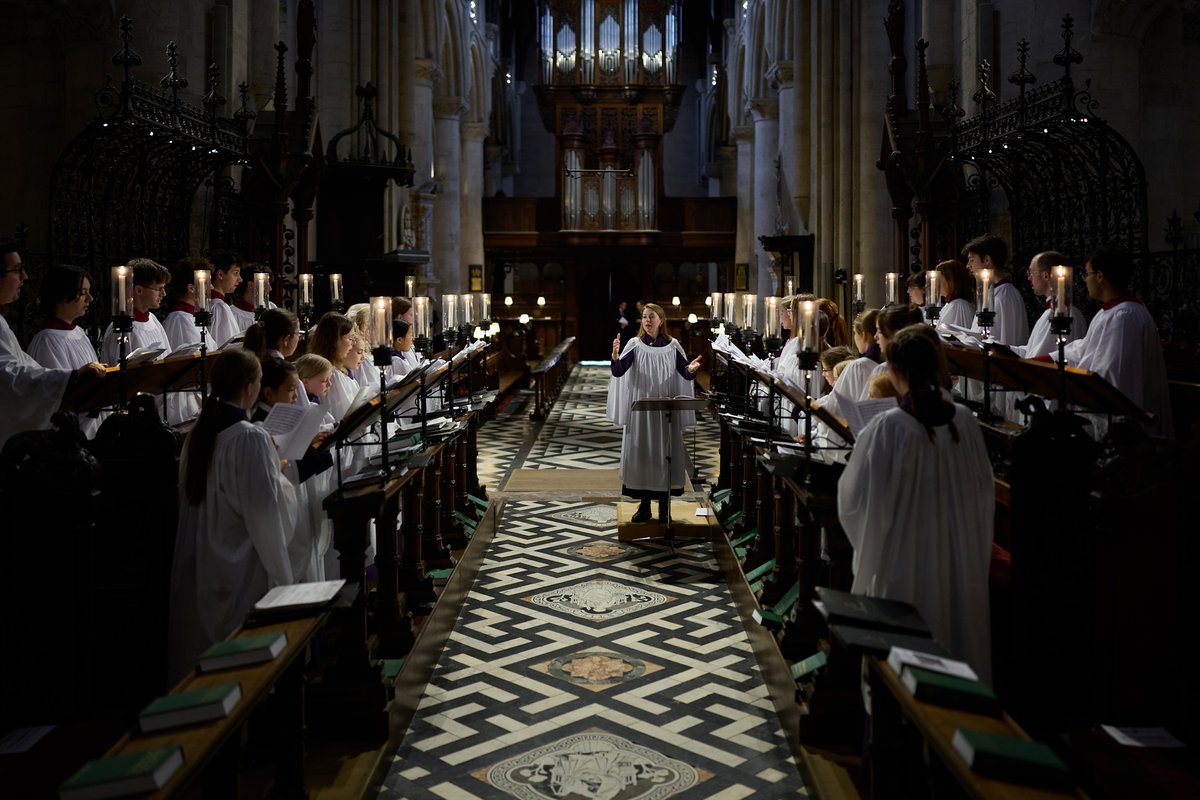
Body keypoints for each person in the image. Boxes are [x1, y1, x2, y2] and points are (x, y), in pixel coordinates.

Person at [838, 324, 994, 681]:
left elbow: (855, 501)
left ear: (894, 371)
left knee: (902, 661)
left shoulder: (887, 427)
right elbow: (983, 493)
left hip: (903, 561)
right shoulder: (966, 421)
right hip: (956, 557)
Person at [167, 348, 300, 682]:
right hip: (239, 568)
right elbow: (266, 516)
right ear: (250, 387)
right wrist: (284, 582)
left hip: (203, 564)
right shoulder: (249, 438)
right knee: (242, 669)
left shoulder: (198, 434)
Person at [1051, 246, 1173, 439]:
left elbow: (1111, 378)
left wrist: (1067, 383)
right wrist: (1045, 360)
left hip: (1128, 437)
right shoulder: (1109, 312)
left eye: (1086, 273)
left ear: (1100, 276)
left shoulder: (1125, 317)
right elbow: (1083, 349)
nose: (1084, 280)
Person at [0, 242, 104, 452]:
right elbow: (9, 379)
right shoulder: (47, 339)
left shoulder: (2, 323)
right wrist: (71, 378)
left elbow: (26, 368)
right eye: (17, 270)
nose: (25, 277)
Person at [606, 302, 701, 523]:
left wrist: (692, 369)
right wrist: (615, 355)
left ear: (661, 320)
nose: (647, 321)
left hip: (665, 413)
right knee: (644, 456)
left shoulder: (672, 345)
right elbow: (619, 371)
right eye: (645, 317)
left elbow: (684, 374)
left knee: (665, 457)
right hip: (642, 414)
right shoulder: (635, 344)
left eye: (652, 317)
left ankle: (665, 509)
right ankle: (645, 506)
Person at [27, 264, 106, 438]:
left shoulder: (77, 332)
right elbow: (57, 392)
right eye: (83, 293)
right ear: (62, 295)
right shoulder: (47, 339)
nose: (90, 298)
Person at [1012, 251, 1087, 358]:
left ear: (1046, 275)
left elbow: (1037, 360)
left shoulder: (1058, 315)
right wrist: (1005, 348)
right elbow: (1031, 350)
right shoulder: (1071, 312)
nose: (1029, 278)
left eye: (1031, 273)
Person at [99, 258, 171, 364]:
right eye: (159, 289)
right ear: (139, 290)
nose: (164, 294)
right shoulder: (121, 328)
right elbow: (117, 370)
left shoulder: (153, 319)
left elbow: (167, 358)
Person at [963, 234, 1028, 346]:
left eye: (972, 260)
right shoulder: (994, 292)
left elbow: (992, 341)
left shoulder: (1003, 297)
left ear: (987, 260)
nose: (968, 266)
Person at [307, 312, 359, 420]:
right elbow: (343, 415)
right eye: (350, 338)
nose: (353, 343)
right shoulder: (332, 376)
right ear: (334, 340)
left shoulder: (342, 371)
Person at [206, 250, 243, 348]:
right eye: (235, 273)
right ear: (220, 275)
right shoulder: (219, 307)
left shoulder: (209, 303)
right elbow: (225, 347)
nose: (240, 279)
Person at [936, 259, 976, 331]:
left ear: (951, 280)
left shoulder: (958, 306)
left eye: (939, 278)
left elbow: (952, 338)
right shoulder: (951, 304)